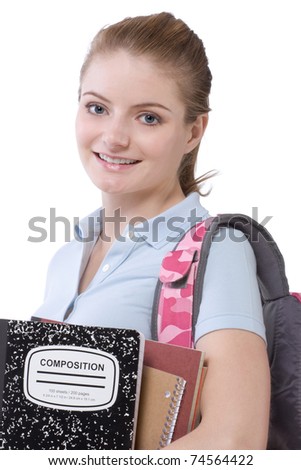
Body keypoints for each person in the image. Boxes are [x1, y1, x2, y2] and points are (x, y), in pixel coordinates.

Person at [33, 12, 270, 449]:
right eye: (97, 107)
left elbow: (235, 440)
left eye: (148, 118)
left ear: (193, 131)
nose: (114, 136)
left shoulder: (215, 251)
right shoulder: (69, 253)